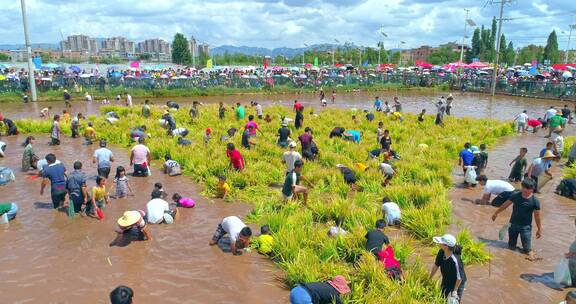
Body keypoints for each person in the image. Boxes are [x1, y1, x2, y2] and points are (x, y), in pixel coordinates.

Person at [492, 178, 542, 261]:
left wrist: (539, 229)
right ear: (521, 187)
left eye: (528, 188)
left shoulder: (535, 200)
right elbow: (506, 205)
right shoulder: (516, 195)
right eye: (524, 187)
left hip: (525, 228)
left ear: (532, 189)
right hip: (513, 225)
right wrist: (496, 213)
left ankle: (532, 257)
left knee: (527, 249)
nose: (525, 190)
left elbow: (537, 216)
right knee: (511, 247)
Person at [430, 234, 467, 301]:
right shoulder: (441, 252)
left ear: (446, 246)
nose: (439, 243)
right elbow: (436, 266)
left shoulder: (455, 260)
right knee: (442, 297)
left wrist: (455, 290)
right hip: (447, 278)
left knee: (453, 301)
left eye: (441, 242)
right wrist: (429, 278)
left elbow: (459, 277)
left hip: (458, 283)